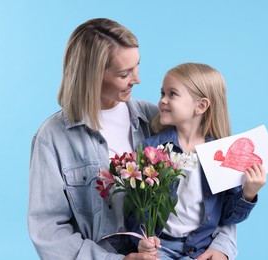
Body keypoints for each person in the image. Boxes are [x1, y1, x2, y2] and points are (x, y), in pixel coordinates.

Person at [28, 18, 160, 259]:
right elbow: (49, 233)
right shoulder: (52, 138)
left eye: (137, 66)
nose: (137, 79)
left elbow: (204, 187)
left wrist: (222, 244)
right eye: (124, 73)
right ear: (93, 75)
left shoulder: (153, 119)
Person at [129, 63, 267, 260]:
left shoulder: (220, 155)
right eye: (162, 93)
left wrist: (248, 194)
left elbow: (228, 217)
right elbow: (138, 207)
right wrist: (141, 241)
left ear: (201, 106)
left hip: (201, 250)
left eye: (172, 94)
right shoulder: (151, 150)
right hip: (160, 249)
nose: (163, 101)